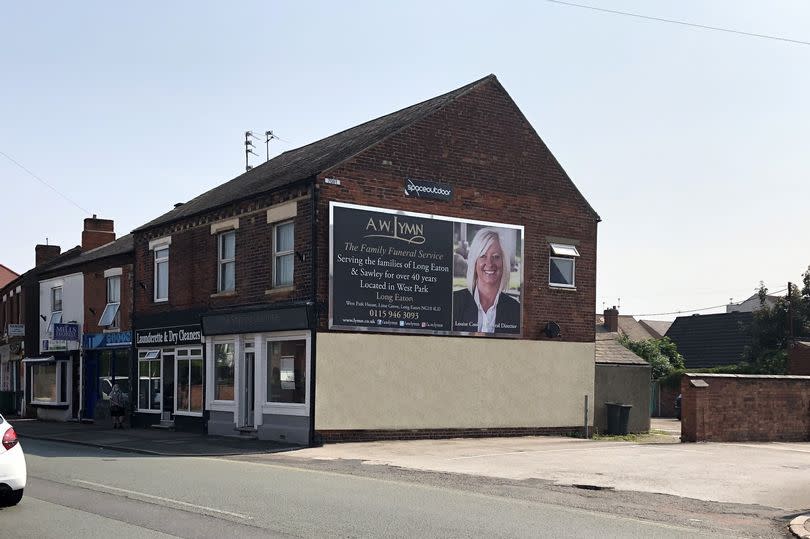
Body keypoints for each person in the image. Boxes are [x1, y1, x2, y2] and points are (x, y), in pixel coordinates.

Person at [452, 227, 520, 334]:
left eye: (496, 257)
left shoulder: (516, 310)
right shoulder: (454, 303)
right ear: (475, 262)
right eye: (483, 256)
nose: (489, 263)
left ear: (504, 263)